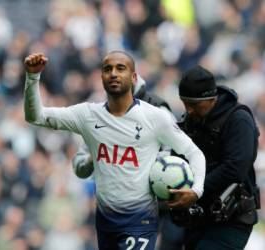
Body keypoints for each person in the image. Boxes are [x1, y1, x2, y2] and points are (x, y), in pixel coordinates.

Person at [23, 51, 206, 250]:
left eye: (121, 68)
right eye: (107, 69)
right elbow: (36, 116)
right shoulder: (88, 115)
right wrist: (32, 77)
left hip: (140, 220)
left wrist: (196, 190)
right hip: (106, 220)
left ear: (134, 77)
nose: (113, 74)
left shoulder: (155, 117)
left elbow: (194, 153)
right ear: (101, 77)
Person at [72, 75, 185, 250]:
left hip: (158, 202)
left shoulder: (158, 109)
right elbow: (79, 166)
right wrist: (91, 159)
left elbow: (173, 154)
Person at [174, 65, 260, 250]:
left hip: (231, 219)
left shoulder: (238, 119)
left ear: (212, 99)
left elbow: (235, 168)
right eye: (185, 103)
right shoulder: (192, 120)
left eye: (194, 104)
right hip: (198, 218)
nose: (188, 110)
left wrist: (196, 190)